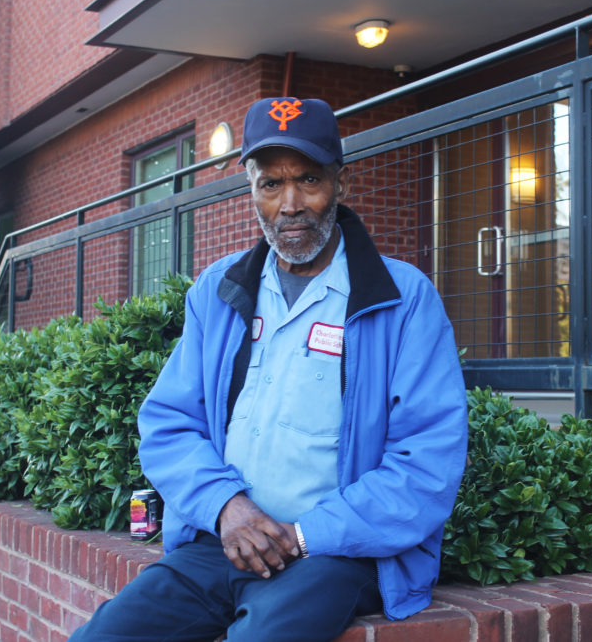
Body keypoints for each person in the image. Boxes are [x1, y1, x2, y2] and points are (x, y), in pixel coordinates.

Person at [69, 97, 467, 642]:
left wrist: (304, 536)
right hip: (223, 542)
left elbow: (426, 463)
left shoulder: (403, 298)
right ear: (252, 191)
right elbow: (168, 423)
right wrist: (227, 509)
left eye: (308, 179)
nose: (291, 203)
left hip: (334, 553)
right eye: (271, 184)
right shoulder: (218, 291)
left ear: (340, 184)